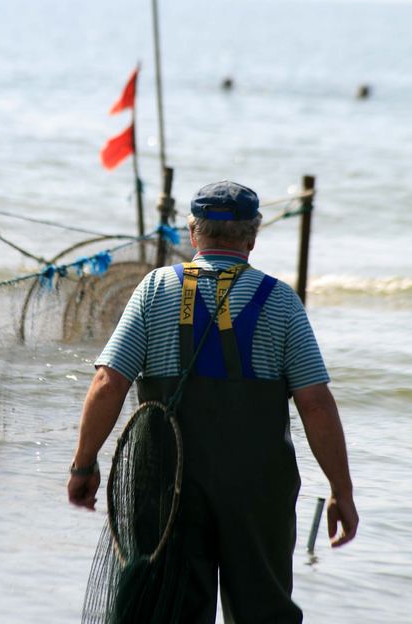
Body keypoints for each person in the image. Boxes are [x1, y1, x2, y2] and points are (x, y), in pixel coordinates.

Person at [68, 180, 358, 623]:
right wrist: (342, 490)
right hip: (257, 492)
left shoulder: (154, 290)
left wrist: (83, 465)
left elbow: (109, 382)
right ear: (253, 236)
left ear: (191, 232)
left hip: (166, 486)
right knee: (263, 611)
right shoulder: (279, 301)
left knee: (168, 611)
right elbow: (315, 403)